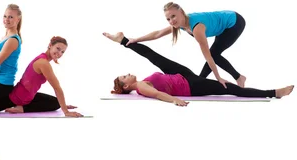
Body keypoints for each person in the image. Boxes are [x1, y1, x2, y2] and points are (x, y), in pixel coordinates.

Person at [102, 32, 293, 105]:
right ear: (126, 86)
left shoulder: (141, 82)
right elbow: (159, 95)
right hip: (191, 86)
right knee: (229, 89)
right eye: (124, 77)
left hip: (182, 75)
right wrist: (176, 101)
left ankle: (124, 41)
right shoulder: (141, 87)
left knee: (154, 57)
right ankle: (274, 92)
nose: (127, 74)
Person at [128, 4, 248, 87]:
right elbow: (158, 33)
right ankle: (202, 80)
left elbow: (208, 57)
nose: (171, 21)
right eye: (168, 19)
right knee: (214, 53)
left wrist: (218, 78)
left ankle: (238, 77)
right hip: (221, 21)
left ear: (181, 12)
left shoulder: (197, 28)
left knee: (213, 54)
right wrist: (136, 39)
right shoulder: (180, 23)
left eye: (173, 16)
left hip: (234, 22)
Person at [0, 36, 82, 116]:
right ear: (50, 45)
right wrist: (66, 112)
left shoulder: (43, 58)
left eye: (63, 52)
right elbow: (57, 87)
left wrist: (63, 105)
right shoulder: (43, 63)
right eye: (58, 48)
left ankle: (22, 107)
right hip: (15, 98)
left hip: (25, 96)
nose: (60, 53)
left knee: (56, 103)